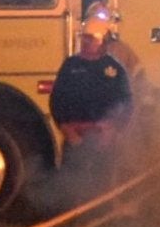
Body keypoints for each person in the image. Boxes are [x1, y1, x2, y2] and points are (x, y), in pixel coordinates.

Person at [48, 15, 134, 182]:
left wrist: (114, 129)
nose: (85, 42)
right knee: (71, 184)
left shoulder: (114, 69)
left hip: (103, 138)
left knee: (101, 184)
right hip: (75, 137)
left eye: (90, 38)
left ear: (101, 41)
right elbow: (57, 100)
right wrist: (65, 128)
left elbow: (126, 102)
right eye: (84, 37)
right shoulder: (70, 65)